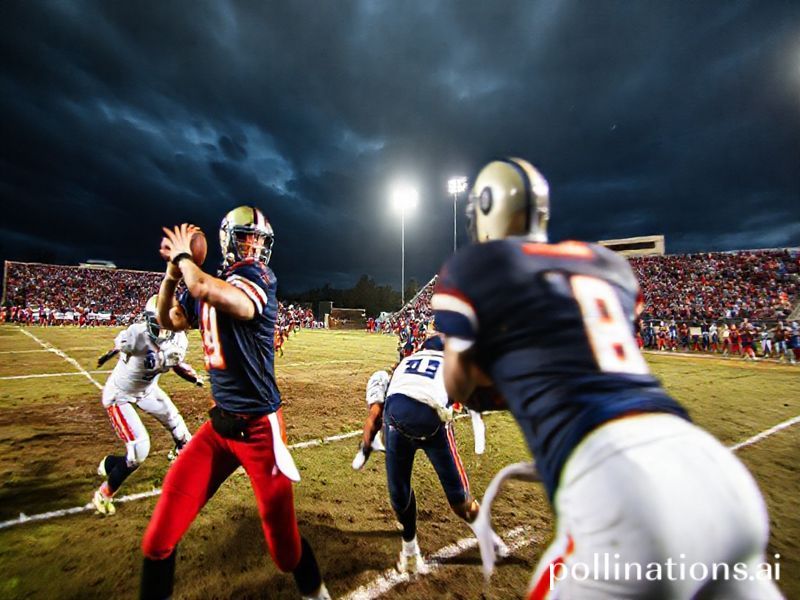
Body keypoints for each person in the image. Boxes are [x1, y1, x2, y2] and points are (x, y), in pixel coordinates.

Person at [432, 158, 779, 598]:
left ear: (485, 210)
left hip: (622, 491)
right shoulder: (608, 265)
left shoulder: (473, 268)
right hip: (718, 475)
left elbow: (457, 385)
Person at [140, 207, 329, 600]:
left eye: (260, 240)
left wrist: (185, 260)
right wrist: (171, 275)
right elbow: (167, 319)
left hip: (260, 428)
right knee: (158, 538)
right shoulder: (212, 280)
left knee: (285, 551)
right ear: (228, 239)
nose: (255, 246)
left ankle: (317, 593)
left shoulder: (259, 277)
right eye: (247, 237)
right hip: (220, 428)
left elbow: (214, 294)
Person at [352, 335, 506, 574]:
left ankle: (410, 551)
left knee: (399, 495)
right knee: (460, 499)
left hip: (397, 422)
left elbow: (382, 397)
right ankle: (489, 539)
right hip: (433, 425)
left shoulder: (406, 362)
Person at [92, 295, 200, 516]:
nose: (160, 327)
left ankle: (113, 464)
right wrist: (112, 352)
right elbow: (122, 343)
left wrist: (192, 376)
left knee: (181, 431)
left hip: (147, 390)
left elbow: (175, 363)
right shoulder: (136, 334)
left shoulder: (179, 340)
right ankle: (104, 493)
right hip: (120, 395)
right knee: (139, 450)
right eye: (156, 321)